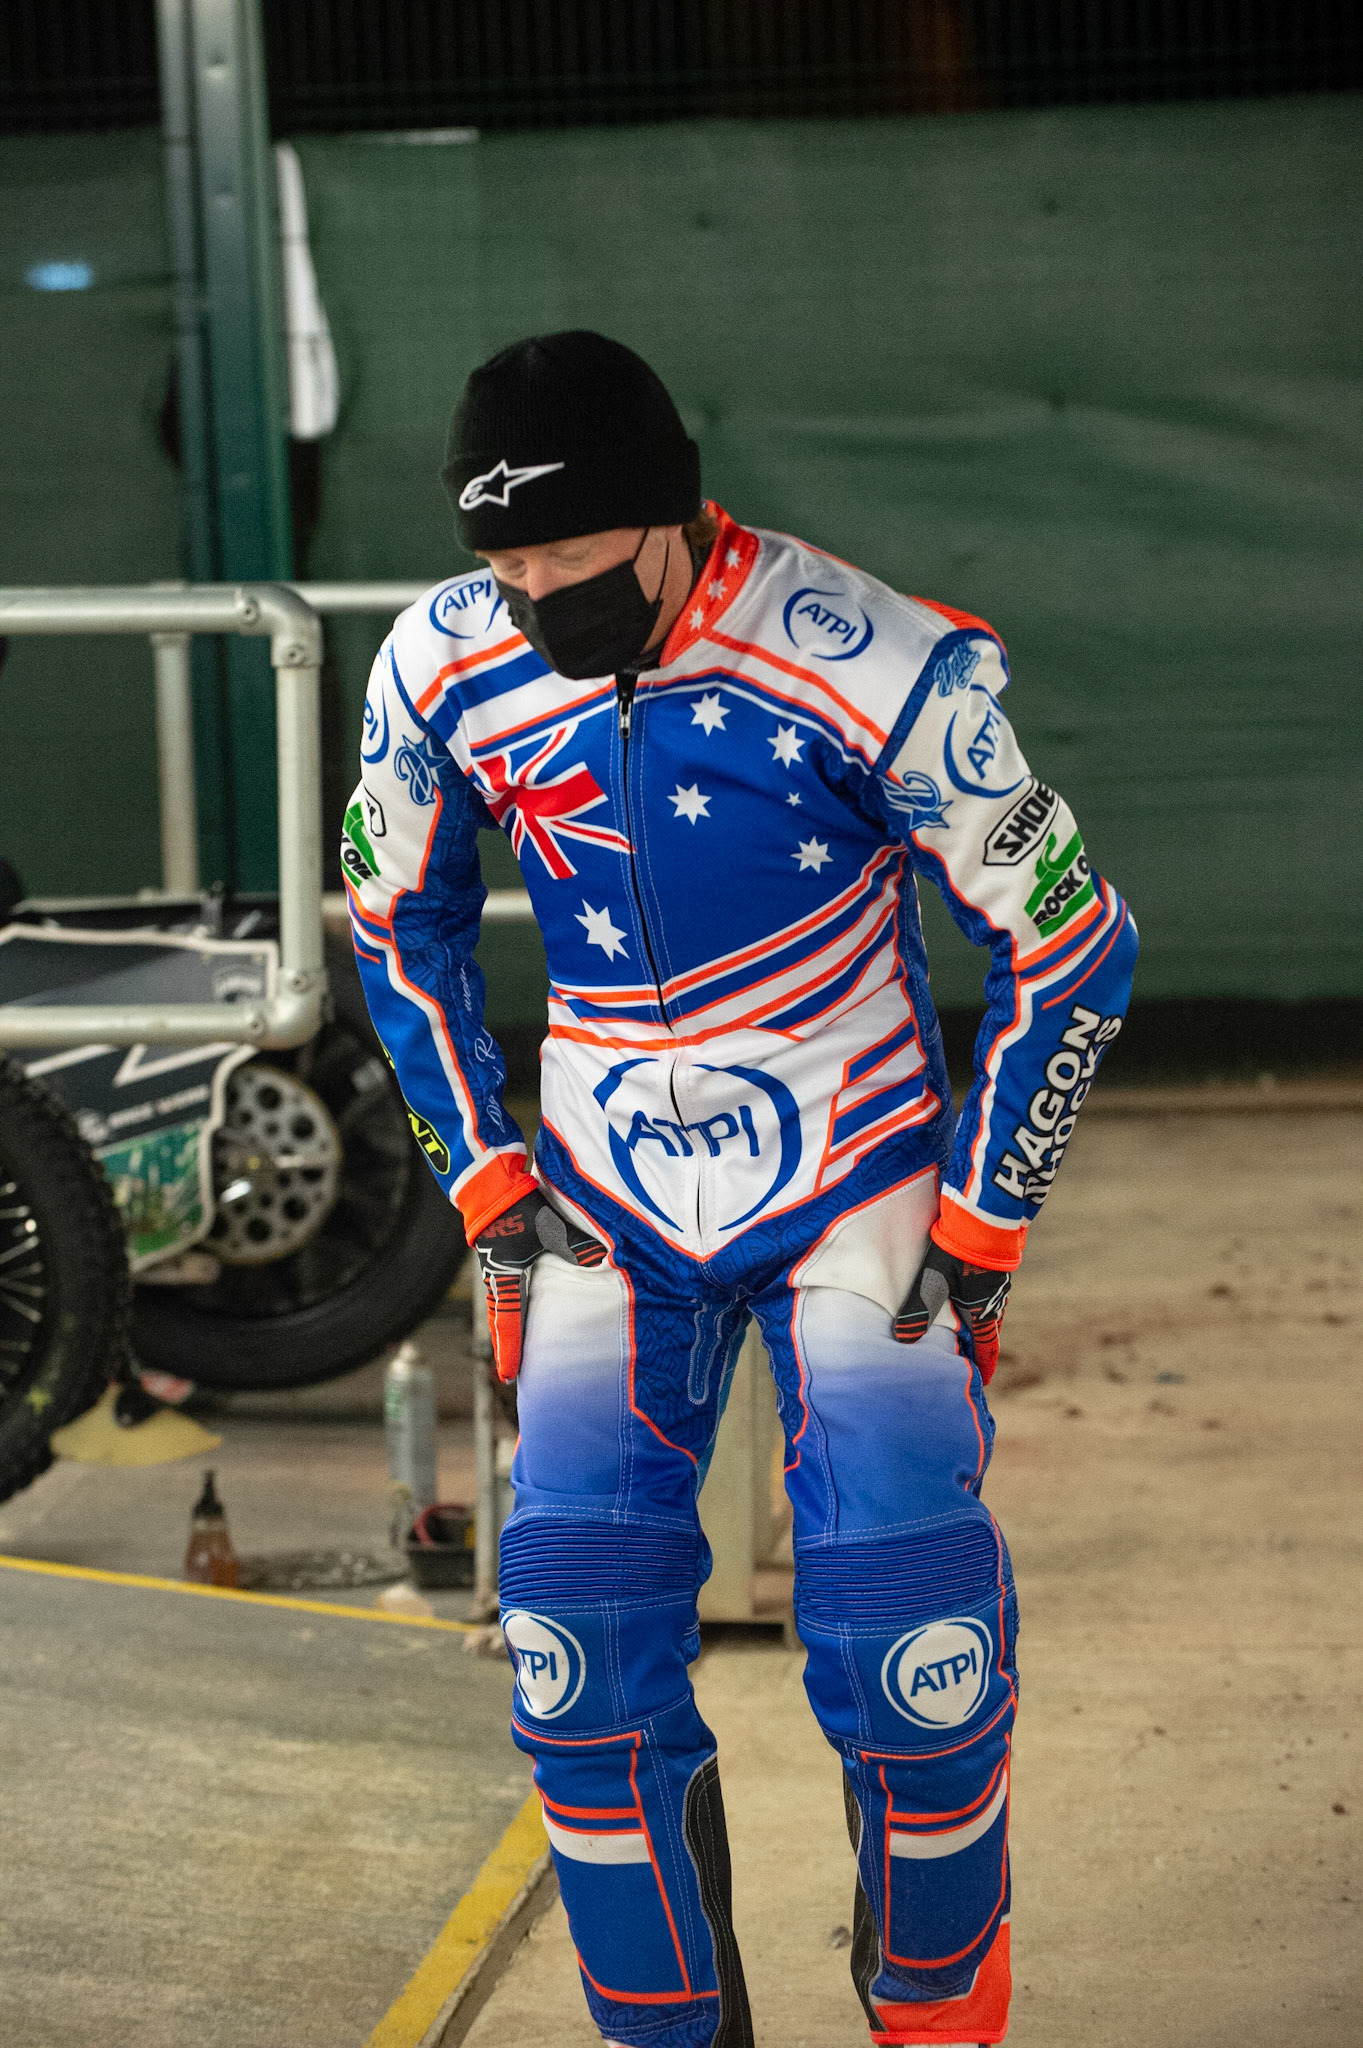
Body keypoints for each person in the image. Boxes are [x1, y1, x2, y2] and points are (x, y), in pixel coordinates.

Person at [344, 330, 1136, 2048]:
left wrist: (984, 1228)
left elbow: (1074, 943)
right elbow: (387, 923)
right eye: (502, 559)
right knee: (572, 1665)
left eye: (565, 553)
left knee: (913, 1657)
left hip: (860, 1191)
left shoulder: (878, 663)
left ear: (669, 515)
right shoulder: (436, 663)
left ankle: (935, 2023)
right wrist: (485, 1192)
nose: (530, 591)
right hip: (598, 1206)